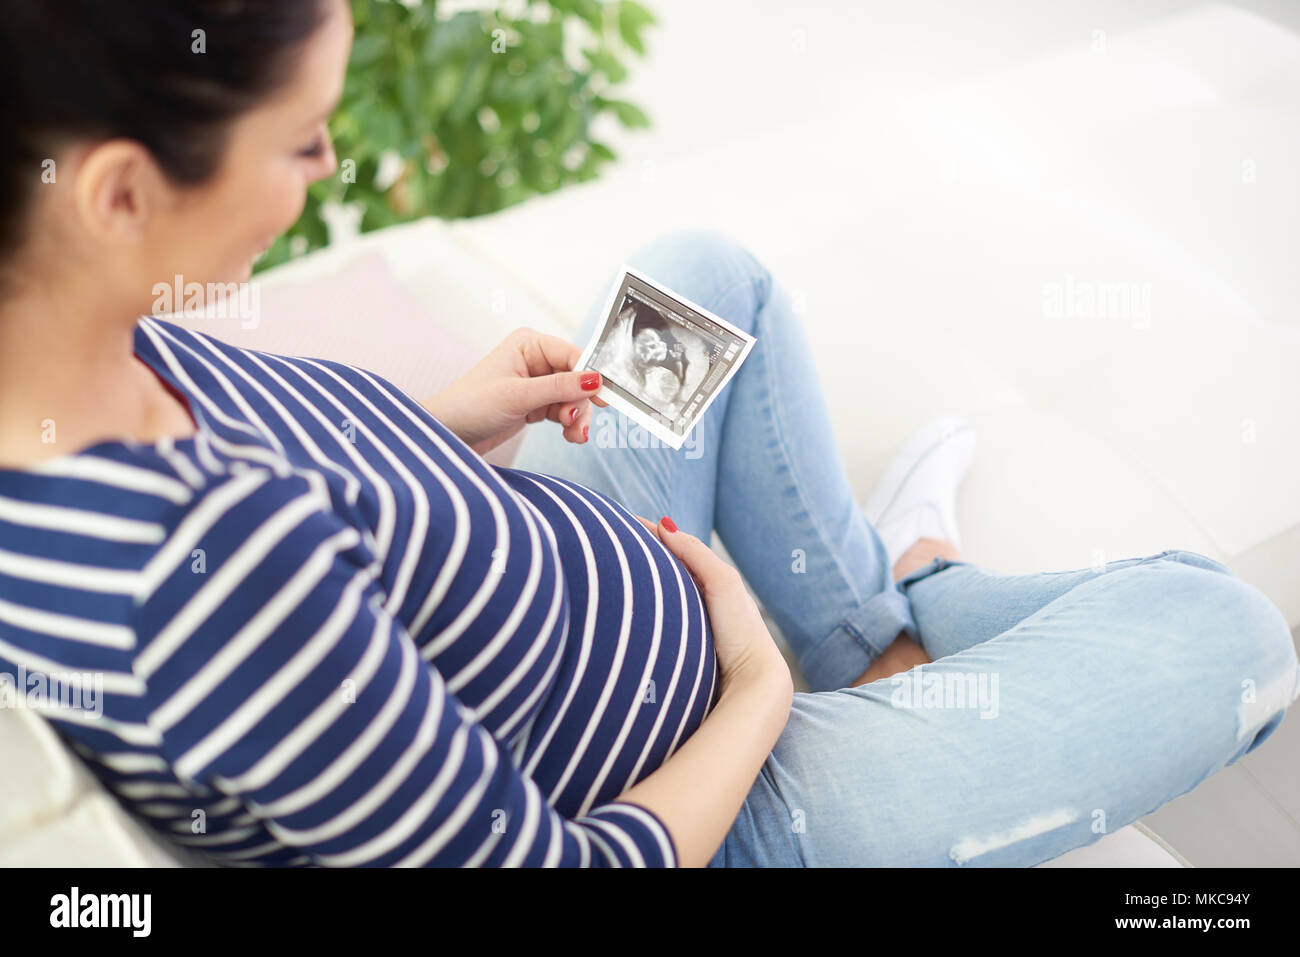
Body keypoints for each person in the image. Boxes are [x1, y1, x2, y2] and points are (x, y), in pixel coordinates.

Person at [0, 0, 1295, 868]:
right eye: (297, 140)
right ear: (120, 192)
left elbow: (287, 467)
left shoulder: (57, 332)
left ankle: (874, 638)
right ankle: (909, 599)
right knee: (1232, 635)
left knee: (698, 276)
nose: (334, 163)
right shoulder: (205, 587)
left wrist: (442, 423)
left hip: (589, 558)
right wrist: (755, 686)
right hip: (718, 792)